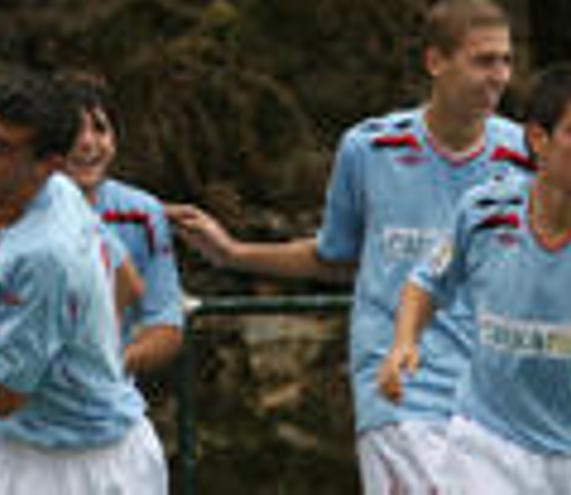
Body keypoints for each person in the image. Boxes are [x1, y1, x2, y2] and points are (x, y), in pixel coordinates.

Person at [167, 0, 532, 491]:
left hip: (498, 398)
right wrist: (233, 253)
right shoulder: (369, 149)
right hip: (399, 395)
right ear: (435, 61)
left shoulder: (530, 157)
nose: (499, 76)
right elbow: (337, 258)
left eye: (505, 61)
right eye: (483, 60)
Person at [0, 74, 166, 494]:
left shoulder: (43, 253)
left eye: (1, 148)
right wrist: (78, 348)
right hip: (37, 445)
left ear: (48, 165)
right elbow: (128, 285)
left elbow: (3, 395)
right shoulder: (61, 191)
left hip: (70, 467)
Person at [384, 62, 571, 494]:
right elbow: (426, 280)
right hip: (487, 444)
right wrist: (404, 342)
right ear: (538, 138)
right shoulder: (484, 211)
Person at [61, 74, 184, 374]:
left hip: (110, 401)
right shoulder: (7, 207)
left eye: (100, 129)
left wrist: (112, 366)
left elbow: (166, 324)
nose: (87, 142)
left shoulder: (142, 213)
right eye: (72, 131)